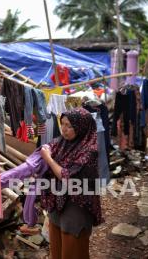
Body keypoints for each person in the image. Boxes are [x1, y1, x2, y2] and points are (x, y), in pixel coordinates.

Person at [40, 108, 103, 259]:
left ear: (81, 127)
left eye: (69, 126)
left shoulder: (89, 151)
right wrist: (47, 147)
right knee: (57, 249)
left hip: (77, 205)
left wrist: (48, 159)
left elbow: (66, 176)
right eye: (62, 124)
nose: (64, 129)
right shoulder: (63, 142)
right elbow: (50, 145)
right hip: (58, 202)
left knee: (73, 250)